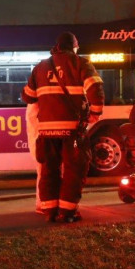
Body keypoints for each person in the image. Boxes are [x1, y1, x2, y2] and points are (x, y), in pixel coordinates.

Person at [21, 32, 104, 223]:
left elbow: (28, 96)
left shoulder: (41, 66)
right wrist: (95, 113)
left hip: (46, 132)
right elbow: (95, 88)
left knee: (49, 170)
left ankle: (50, 210)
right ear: (74, 47)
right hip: (72, 131)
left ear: (57, 47)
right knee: (74, 169)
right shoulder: (80, 63)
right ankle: (67, 212)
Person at [25, 103, 41, 213]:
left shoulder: (32, 106)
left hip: (40, 141)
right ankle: (45, 204)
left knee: (44, 173)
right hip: (43, 141)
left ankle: (43, 204)